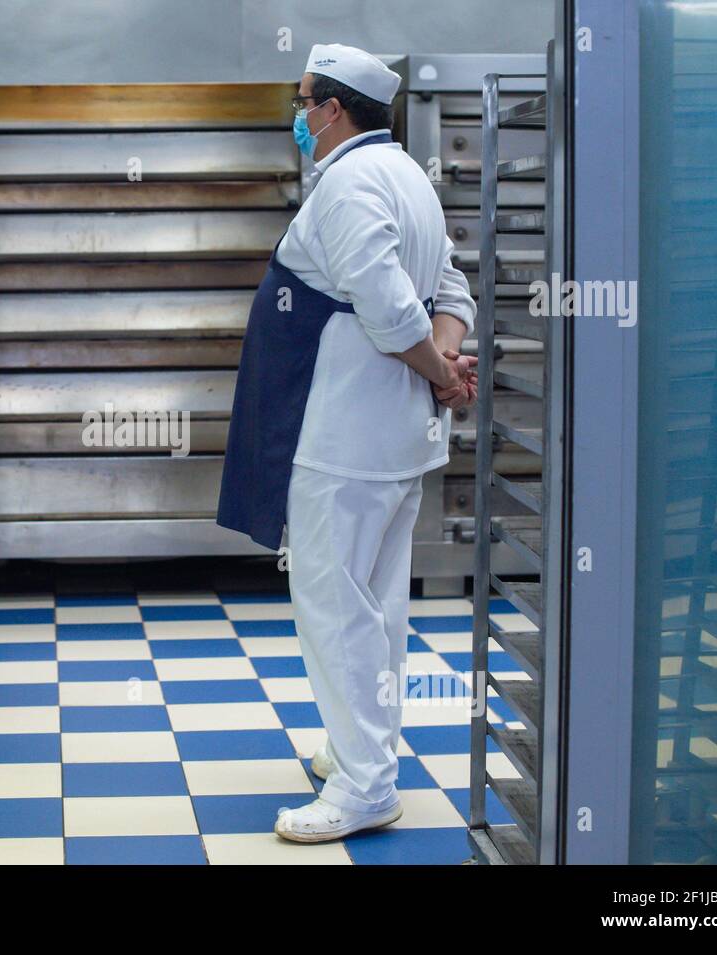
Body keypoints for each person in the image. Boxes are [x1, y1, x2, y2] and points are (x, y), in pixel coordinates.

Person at [216, 43, 478, 843]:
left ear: (333, 109)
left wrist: (434, 367)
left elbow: (393, 311)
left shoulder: (351, 182)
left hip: (345, 440)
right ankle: (357, 746)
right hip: (391, 442)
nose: (298, 117)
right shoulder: (408, 178)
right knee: (377, 606)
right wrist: (442, 364)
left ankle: (367, 785)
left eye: (303, 103)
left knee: (336, 611)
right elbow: (452, 289)